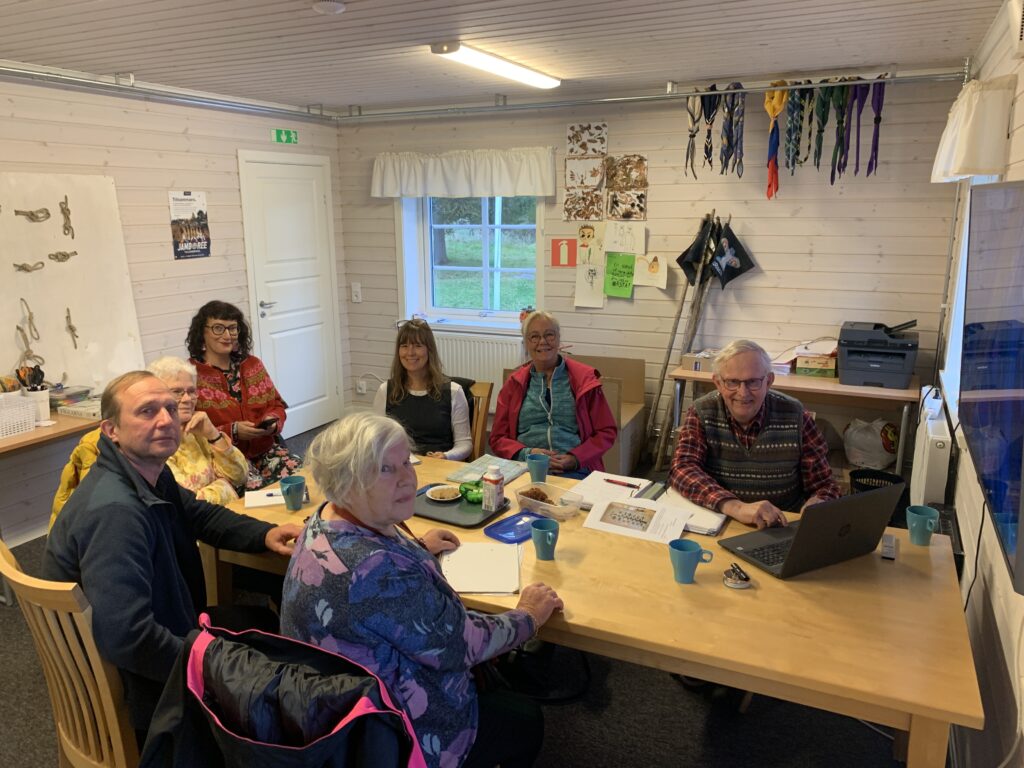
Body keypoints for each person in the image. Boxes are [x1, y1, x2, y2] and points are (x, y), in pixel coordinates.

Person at [281, 412, 564, 768]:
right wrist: (529, 615)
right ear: (346, 482)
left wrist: (416, 548)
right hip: (390, 732)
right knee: (525, 719)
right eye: (385, 469)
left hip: (333, 704)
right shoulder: (374, 570)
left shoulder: (326, 518)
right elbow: (461, 645)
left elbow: (369, 577)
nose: (407, 478)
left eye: (406, 462)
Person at [44, 371, 303, 741]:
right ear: (111, 430)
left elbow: (200, 515)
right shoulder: (116, 512)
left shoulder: (144, 472)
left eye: (169, 407)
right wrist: (212, 669)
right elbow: (129, 637)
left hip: (162, 628)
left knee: (261, 623)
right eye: (147, 411)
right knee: (273, 683)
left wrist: (264, 533)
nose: (167, 419)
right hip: (138, 680)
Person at [49, 356, 249, 526]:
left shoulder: (196, 427)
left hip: (207, 527)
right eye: (177, 392)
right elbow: (174, 508)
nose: (187, 399)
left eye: (191, 391)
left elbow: (239, 476)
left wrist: (213, 434)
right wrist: (224, 487)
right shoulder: (140, 442)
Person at [668, 339, 841, 528]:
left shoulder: (797, 416)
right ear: (718, 383)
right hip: (723, 521)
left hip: (781, 525)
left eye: (753, 382)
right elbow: (682, 469)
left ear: (769, 381)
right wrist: (735, 507)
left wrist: (818, 503)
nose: (743, 393)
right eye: (732, 382)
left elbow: (825, 485)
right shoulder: (701, 412)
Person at [186, 300, 301, 489]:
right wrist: (232, 431)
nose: (227, 335)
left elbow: (277, 405)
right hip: (225, 456)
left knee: (301, 479)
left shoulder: (253, 364)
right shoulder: (190, 374)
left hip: (264, 448)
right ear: (202, 333)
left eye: (232, 328)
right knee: (260, 492)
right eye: (218, 328)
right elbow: (188, 429)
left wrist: (272, 421)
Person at [490, 310, 617, 476]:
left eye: (549, 335)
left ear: (558, 338)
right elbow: (497, 438)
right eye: (534, 336)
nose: (542, 342)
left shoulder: (584, 380)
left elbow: (606, 432)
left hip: (576, 470)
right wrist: (527, 454)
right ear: (526, 342)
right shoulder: (514, 384)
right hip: (525, 469)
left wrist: (575, 458)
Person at [372, 318, 472, 460]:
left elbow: (464, 444)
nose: (410, 353)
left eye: (417, 346)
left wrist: (446, 456)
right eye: (404, 346)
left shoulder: (454, 392)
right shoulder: (385, 390)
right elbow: (377, 439)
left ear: (429, 350)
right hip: (399, 465)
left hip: (440, 465)